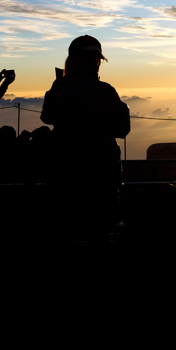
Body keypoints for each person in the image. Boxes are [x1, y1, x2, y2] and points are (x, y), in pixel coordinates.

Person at [41, 35, 130, 235]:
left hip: (63, 171)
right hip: (101, 173)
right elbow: (122, 129)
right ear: (96, 62)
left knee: (65, 228)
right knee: (99, 230)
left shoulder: (58, 88)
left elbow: (47, 117)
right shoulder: (105, 90)